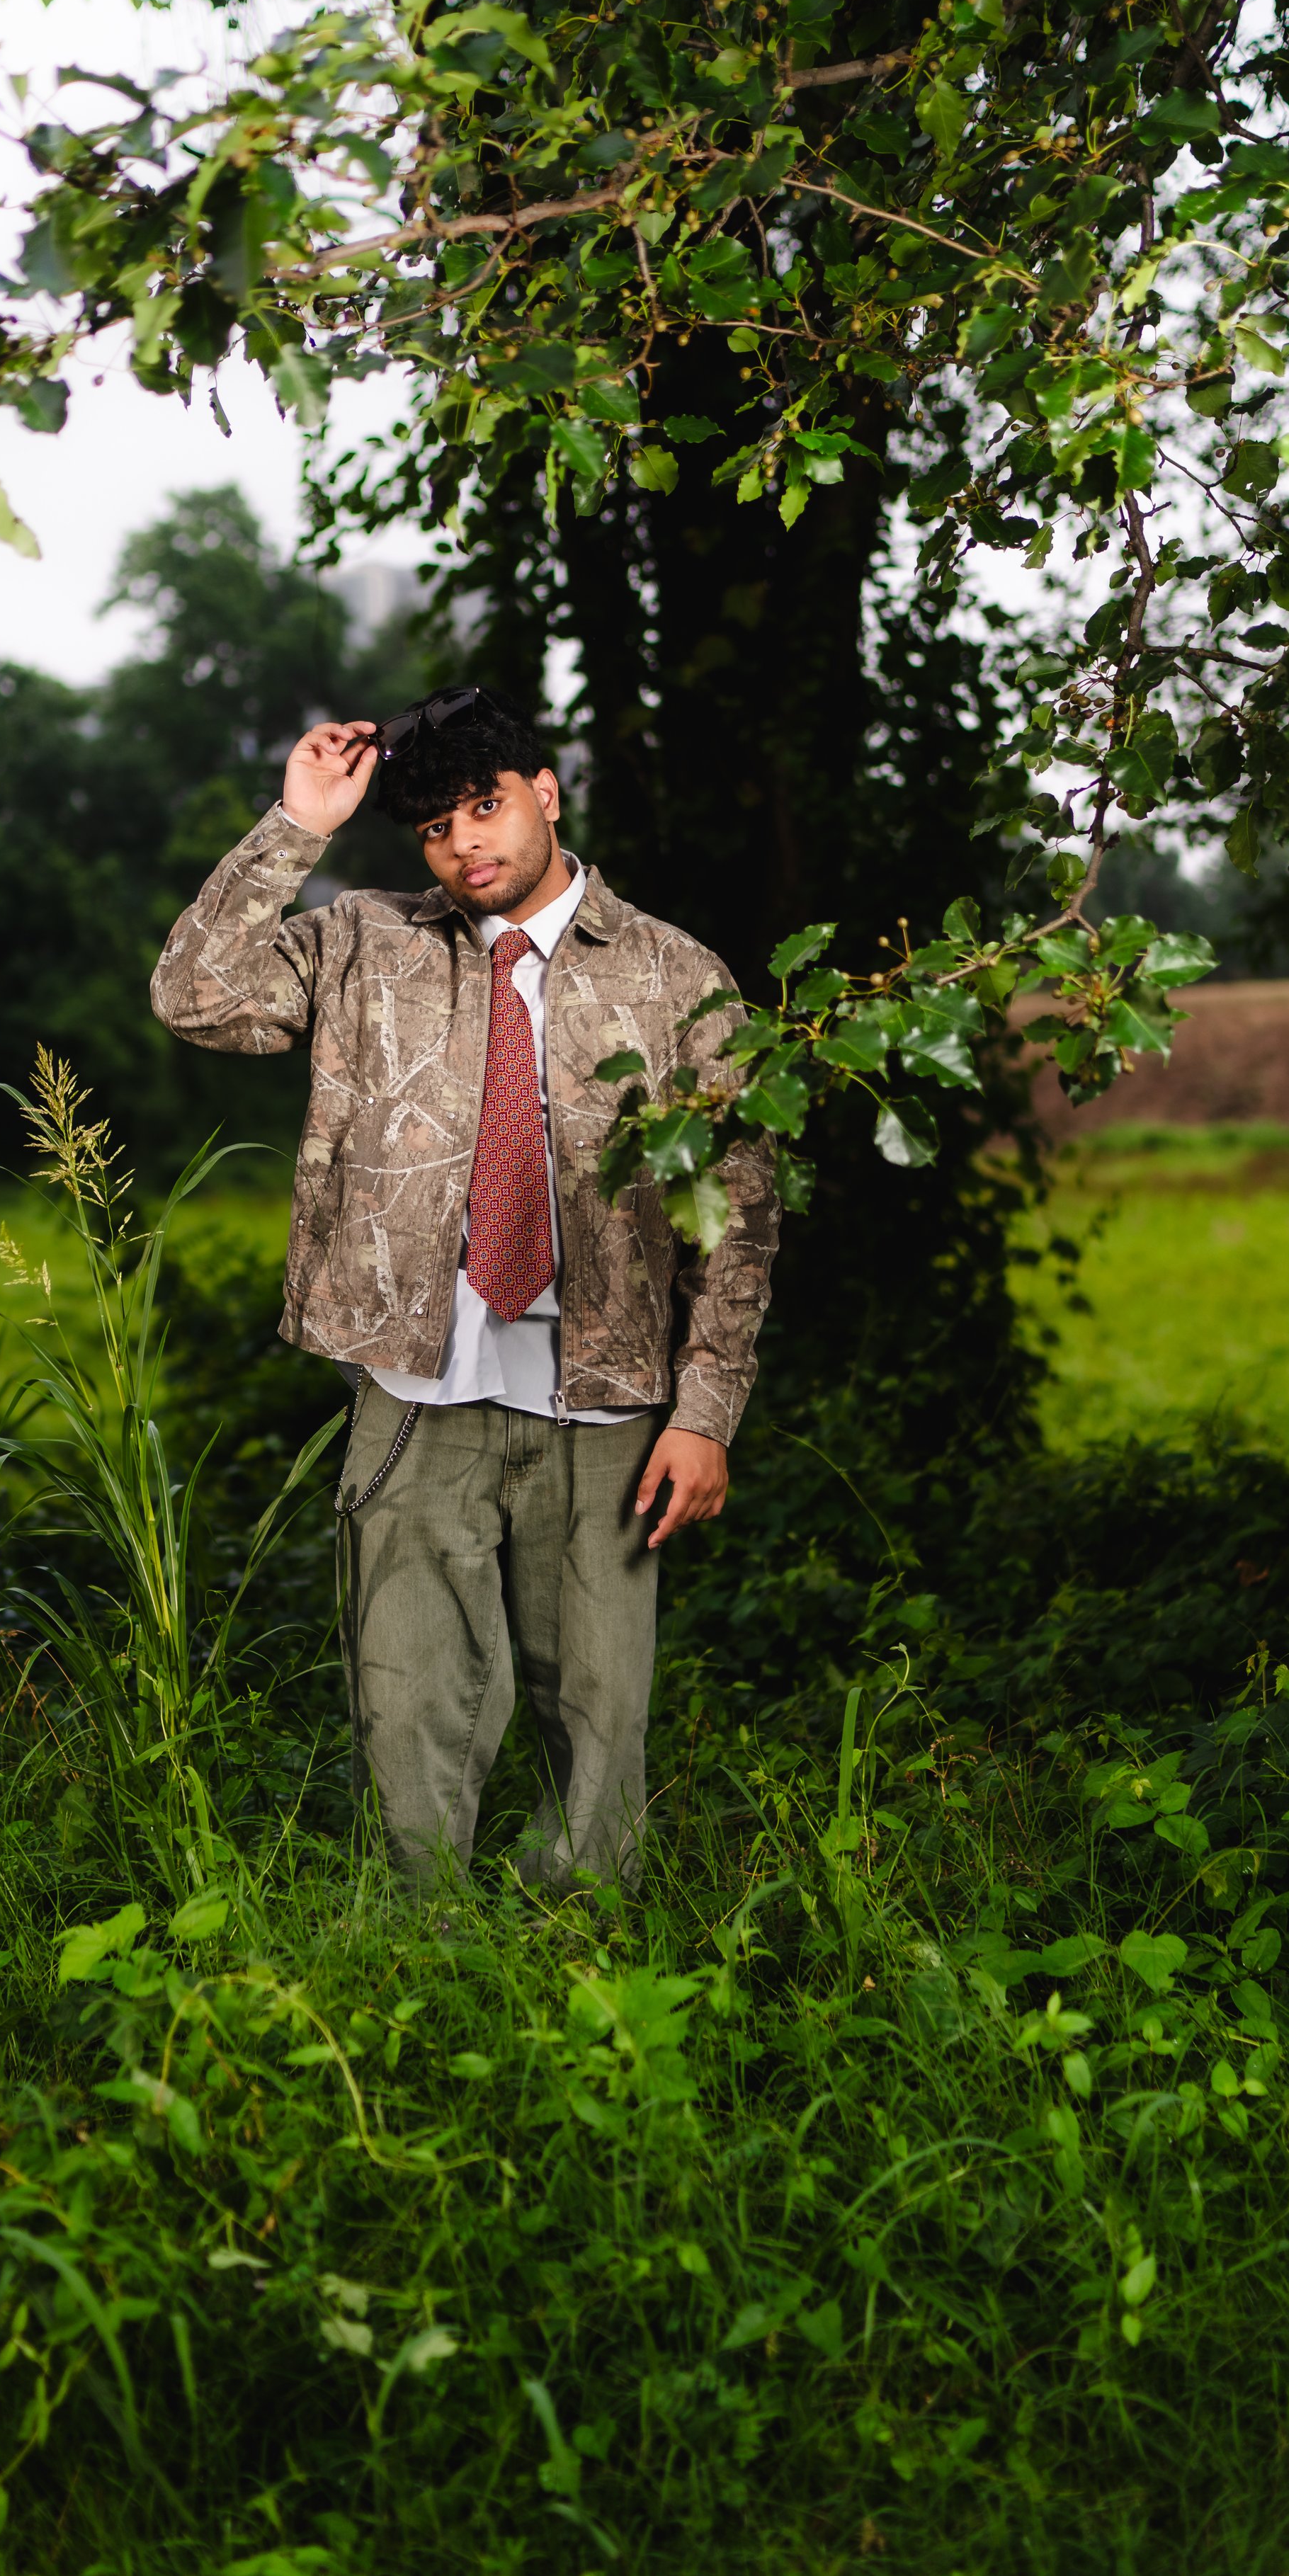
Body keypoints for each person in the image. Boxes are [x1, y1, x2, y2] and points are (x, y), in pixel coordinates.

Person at [151, 685, 777, 1890]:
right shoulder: (369, 946)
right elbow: (194, 997)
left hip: (603, 1397)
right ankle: (428, 1962)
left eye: (487, 807)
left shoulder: (674, 973)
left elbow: (738, 1217)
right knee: (408, 1703)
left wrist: (705, 1415)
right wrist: (297, 824)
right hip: (413, 1390)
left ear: (546, 794)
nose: (465, 844)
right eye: (437, 826)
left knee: (597, 1716)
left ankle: (584, 1956)